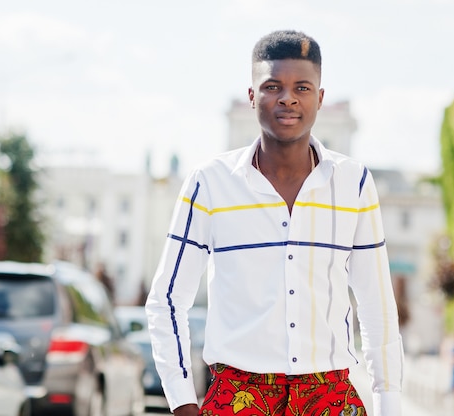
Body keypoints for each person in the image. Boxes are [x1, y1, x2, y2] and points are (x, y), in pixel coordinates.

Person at [146, 30, 403, 416]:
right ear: (252, 96)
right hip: (239, 396)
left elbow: (376, 303)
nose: (287, 98)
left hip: (328, 397)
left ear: (319, 97)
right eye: (272, 86)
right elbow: (167, 299)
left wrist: (388, 403)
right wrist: (182, 401)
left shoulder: (354, 183)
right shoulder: (209, 183)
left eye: (302, 86)